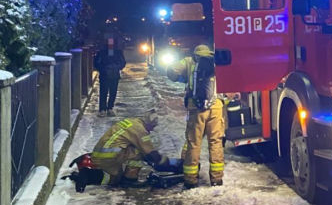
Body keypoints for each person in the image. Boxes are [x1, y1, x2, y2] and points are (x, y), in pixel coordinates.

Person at [64, 109, 180, 191]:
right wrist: (169, 163)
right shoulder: (141, 131)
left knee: (133, 151)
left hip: (100, 154)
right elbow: (151, 154)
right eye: (152, 127)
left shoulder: (132, 122)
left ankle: (89, 175)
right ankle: (129, 178)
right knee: (118, 175)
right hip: (108, 159)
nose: (152, 130)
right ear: (149, 124)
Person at [167, 45, 226, 189]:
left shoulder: (189, 61)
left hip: (196, 107)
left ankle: (191, 179)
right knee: (215, 142)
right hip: (216, 105)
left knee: (194, 143)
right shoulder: (216, 60)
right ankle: (217, 179)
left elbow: (171, 71)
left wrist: (180, 77)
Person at [94, 34, 126, 116]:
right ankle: (102, 109)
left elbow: (123, 62)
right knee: (104, 92)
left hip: (114, 74)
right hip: (105, 75)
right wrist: (103, 69)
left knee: (113, 92)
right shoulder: (102, 52)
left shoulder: (118, 52)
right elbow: (96, 63)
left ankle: (110, 108)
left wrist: (116, 67)